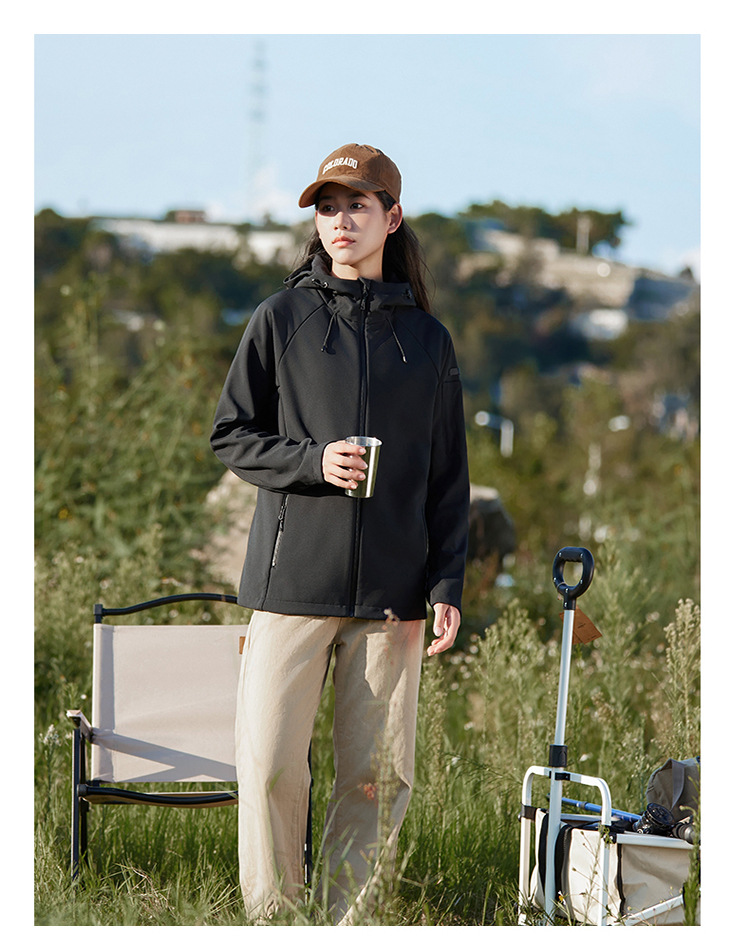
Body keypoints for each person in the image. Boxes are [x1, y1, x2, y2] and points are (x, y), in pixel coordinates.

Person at [210, 143, 470, 923]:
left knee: (377, 778)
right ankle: (273, 917)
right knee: (267, 765)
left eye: (357, 204)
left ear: (392, 216)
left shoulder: (428, 341)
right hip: (290, 584)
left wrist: (446, 583)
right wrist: (313, 461)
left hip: (393, 596)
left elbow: (448, 478)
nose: (341, 220)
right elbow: (231, 434)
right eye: (328, 206)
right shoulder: (280, 319)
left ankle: (343, 921)